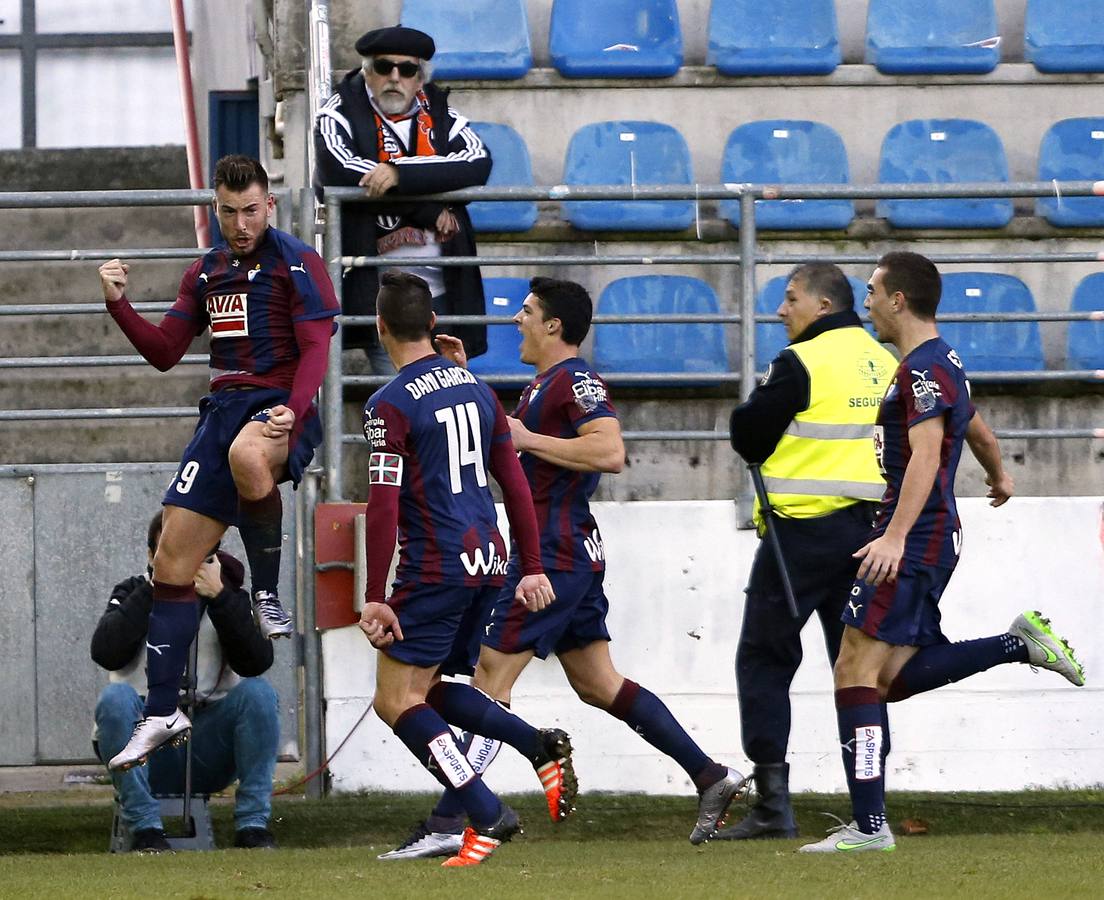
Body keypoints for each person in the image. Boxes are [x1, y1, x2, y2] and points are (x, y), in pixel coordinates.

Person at [378, 276, 745, 862]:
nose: (516, 320)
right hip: (572, 549)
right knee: (598, 683)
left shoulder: (575, 380)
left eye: (526, 312)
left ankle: (456, 818)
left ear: (554, 326)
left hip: (553, 552)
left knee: (488, 681)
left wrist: (526, 436)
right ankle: (710, 775)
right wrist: (464, 380)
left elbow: (609, 451)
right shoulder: (541, 386)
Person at [799, 251, 1085, 854]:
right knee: (887, 678)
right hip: (931, 534)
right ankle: (1018, 644)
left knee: (855, 669)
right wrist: (998, 474)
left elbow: (927, 456)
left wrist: (895, 537)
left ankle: (871, 828)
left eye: (873, 291)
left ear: (898, 298)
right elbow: (974, 426)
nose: (868, 301)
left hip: (916, 534)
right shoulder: (941, 360)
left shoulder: (920, 369)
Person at [98, 155, 339, 771]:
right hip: (221, 409)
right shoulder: (205, 273)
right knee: (171, 563)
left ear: (270, 205)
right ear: (216, 210)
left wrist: (294, 408)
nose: (240, 223)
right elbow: (164, 352)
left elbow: (316, 348)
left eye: (251, 210)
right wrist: (120, 305)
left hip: (278, 404)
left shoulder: (297, 262)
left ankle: (265, 594)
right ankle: (160, 711)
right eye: (229, 212)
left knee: (248, 455)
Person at [358, 272, 570, 868]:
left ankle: (485, 810)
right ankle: (536, 745)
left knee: (396, 700)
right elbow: (515, 483)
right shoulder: (477, 389)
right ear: (432, 324)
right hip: (488, 561)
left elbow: (383, 502)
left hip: (433, 564)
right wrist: (528, 565)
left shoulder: (387, 405)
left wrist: (376, 594)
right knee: (432, 690)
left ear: (379, 329)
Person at [717, 263, 898, 841]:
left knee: (765, 661)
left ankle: (773, 807)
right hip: (872, 537)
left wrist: (746, 411)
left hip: (800, 537)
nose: (780, 310)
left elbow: (749, 436)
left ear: (822, 305)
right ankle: (870, 808)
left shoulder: (802, 362)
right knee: (861, 671)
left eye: (790, 298)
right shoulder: (889, 364)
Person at [92, 510, 280, 852]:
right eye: (174, 549)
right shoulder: (132, 590)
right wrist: (157, 588)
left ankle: (253, 826)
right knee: (115, 698)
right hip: (142, 747)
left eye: (196, 549)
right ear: (152, 555)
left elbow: (257, 663)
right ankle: (146, 828)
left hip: (205, 745)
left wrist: (221, 598)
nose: (185, 558)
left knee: (258, 694)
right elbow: (106, 652)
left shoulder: (229, 596)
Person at [313, 24, 490, 373]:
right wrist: (426, 206)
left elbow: (476, 163)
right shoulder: (338, 112)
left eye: (406, 69)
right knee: (403, 404)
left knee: (449, 402)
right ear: (367, 72)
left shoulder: (440, 113)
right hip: (384, 298)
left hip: (444, 292)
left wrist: (397, 173)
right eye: (383, 67)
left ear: (419, 78)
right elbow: (339, 171)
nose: (395, 77)